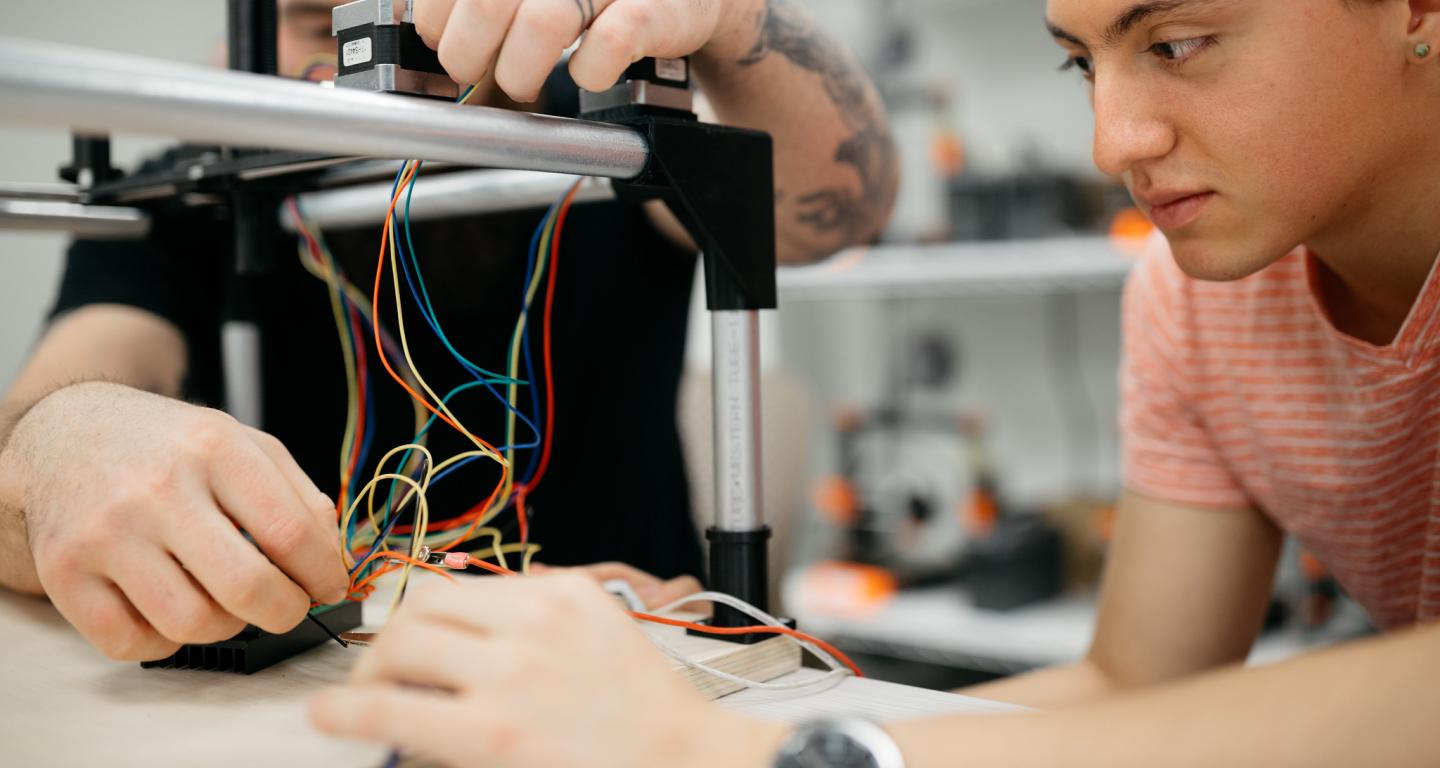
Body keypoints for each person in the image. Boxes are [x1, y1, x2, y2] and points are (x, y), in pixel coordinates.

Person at [310, 0, 1440, 765]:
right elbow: (1137, 679)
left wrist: (758, 755)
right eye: (1083, 61)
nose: (1111, 141)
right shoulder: (1196, 300)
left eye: (1180, 41)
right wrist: (719, 702)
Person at [0, 0, 897, 664]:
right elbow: (33, 438)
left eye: (413, 20)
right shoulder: (188, 193)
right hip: (308, 687)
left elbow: (843, 211)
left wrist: (732, 19)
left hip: (630, 666)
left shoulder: (597, 133)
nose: (372, 63)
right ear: (235, 44)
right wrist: (62, 444)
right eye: (321, 25)